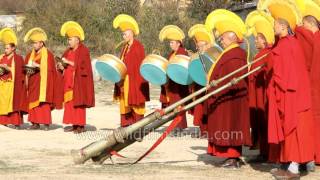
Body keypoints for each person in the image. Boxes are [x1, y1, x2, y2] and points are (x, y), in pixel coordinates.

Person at [205, 9, 251, 168]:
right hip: (225, 96)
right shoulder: (230, 52)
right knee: (229, 125)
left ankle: (233, 156)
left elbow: (233, 78)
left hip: (230, 98)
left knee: (231, 125)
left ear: (232, 38)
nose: (221, 41)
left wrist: (216, 87)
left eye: (223, 38)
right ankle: (232, 156)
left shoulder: (236, 55)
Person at [245, 10, 275, 162]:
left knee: (264, 121)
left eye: (258, 39)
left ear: (265, 41)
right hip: (256, 93)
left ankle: (266, 152)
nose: (255, 41)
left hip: (262, 94)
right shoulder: (260, 54)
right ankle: (262, 150)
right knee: (259, 122)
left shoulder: (267, 53)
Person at [294, 0, 320, 167]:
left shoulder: (313, 39)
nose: (302, 27)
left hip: (314, 86)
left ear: (310, 23)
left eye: (303, 24)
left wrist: (297, 29)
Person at [57, 21, 95, 134]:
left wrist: (68, 62)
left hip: (78, 81)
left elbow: (85, 66)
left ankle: (80, 126)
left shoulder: (84, 50)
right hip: (68, 81)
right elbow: (64, 64)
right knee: (70, 104)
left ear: (77, 40)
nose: (68, 42)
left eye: (70, 39)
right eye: (68, 39)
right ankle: (74, 124)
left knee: (78, 103)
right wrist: (61, 66)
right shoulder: (67, 51)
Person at [113, 14, 149, 127]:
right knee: (125, 103)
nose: (124, 36)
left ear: (132, 33)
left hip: (135, 80)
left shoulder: (138, 46)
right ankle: (126, 125)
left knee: (136, 103)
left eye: (125, 34)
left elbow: (139, 65)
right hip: (125, 80)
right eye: (123, 34)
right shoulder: (125, 47)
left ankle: (138, 128)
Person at [187, 24, 218, 137]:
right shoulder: (197, 56)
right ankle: (202, 130)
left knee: (208, 108)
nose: (198, 48)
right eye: (198, 46)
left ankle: (208, 130)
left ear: (207, 45)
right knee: (200, 108)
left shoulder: (213, 55)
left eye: (200, 46)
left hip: (209, 86)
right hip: (199, 86)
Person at [24, 27, 56, 131]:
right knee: (33, 102)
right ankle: (35, 123)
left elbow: (51, 70)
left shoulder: (48, 55)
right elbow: (26, 67)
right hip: (33, 81)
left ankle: (46, 123)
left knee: (43, 103)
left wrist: (38, 66)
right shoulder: (30, 55)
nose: (34, 45)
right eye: (33, 43)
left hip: (44, 82)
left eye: (36, 43)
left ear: (41, 43)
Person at [159, 25, 189, 135]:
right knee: (173, 105)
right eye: (170, 42)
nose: (170, 44)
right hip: (172, 84)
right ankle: (176, 126)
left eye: (172, 42)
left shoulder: (182, 53)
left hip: (179, 84)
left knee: (179, 105)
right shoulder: (172, 54)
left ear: (178, 43)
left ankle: (180, 127)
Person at [0, 28, 27, 129]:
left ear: (13, 48)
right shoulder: (1, 57)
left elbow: (21, 73)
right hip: (3, 85)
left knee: (14, 103)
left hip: (13, 84)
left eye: (7, 48)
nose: (5, 50)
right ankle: (4, 121)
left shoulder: (18, 58)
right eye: (5, 48)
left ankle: (16, 122)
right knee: (2, 103)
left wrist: (9, 68)